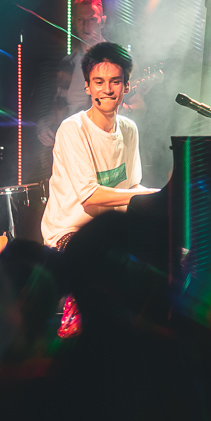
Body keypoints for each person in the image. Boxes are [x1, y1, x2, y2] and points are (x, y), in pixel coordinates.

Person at [41, 42, 158, 334]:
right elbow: (90, 197)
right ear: (88, 87)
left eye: (115, 82)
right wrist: (152, 196)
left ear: (126, 86)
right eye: (99, 82)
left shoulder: (129, 129)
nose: (107, 89)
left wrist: (157, 200)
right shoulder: (72, 129)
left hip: (110, 229)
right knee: (106, 265)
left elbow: (131, 186)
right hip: (68, 234)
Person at [36, 0, 107, 151]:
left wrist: (122, 109)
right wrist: (44, 125)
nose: (86, 26)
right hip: (71, 149)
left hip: (104, 149)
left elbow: (138, 104)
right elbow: (58, 109)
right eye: (80, 20)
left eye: (92, 19)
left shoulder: (117, 61)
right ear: (74, 23)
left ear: (102, 21)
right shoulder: (67, 63)